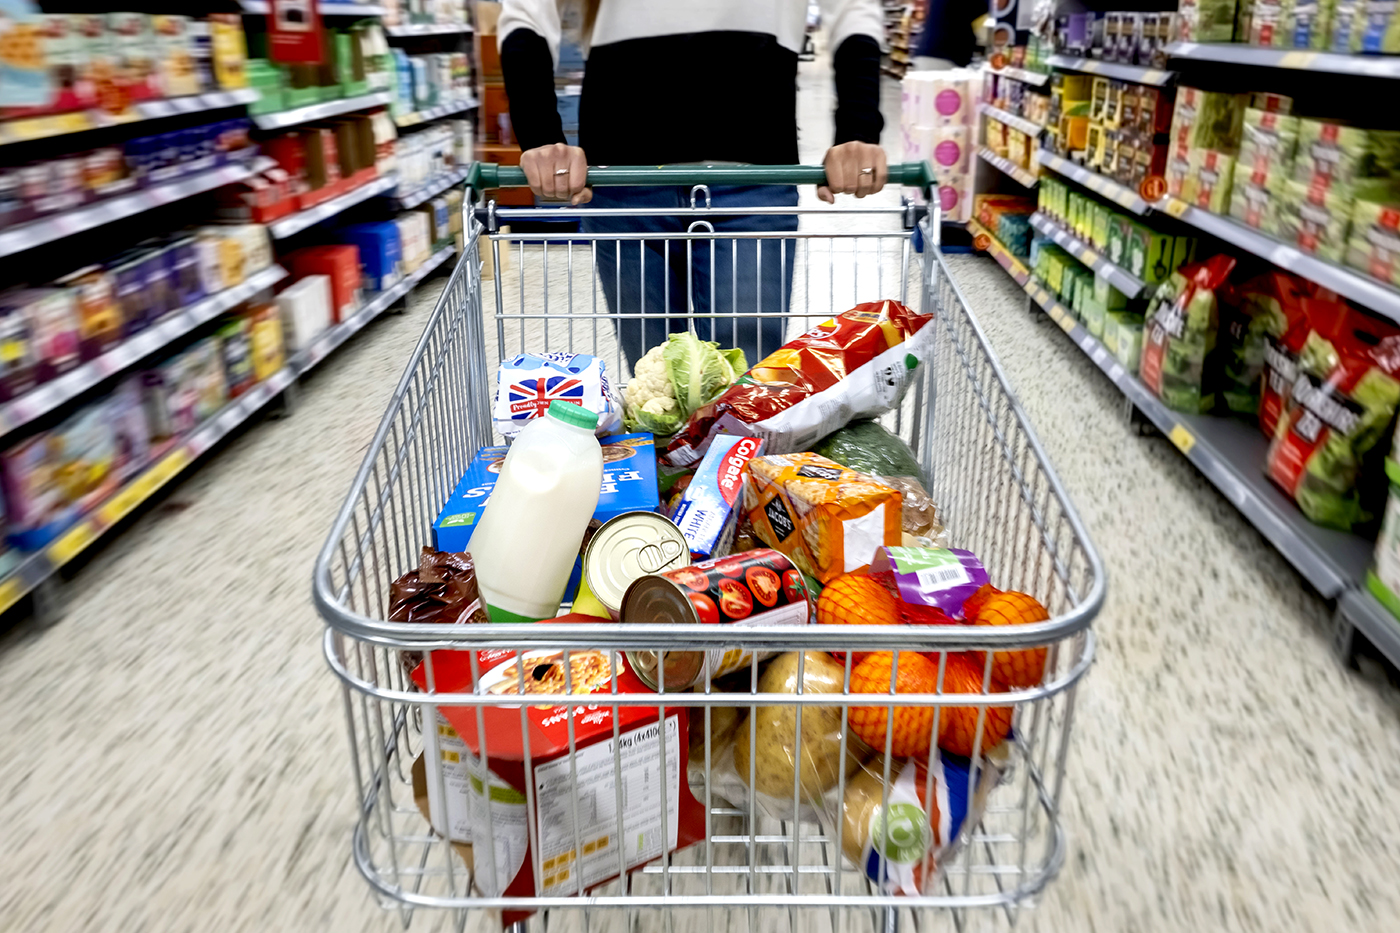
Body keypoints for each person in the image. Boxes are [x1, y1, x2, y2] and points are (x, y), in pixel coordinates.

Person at [497, 0, 890, 368]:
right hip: (626, 181)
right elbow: (526, 13)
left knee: (745, 392)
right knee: (655, 389)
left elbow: (853, 10)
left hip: (753, 175)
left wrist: (858, 128)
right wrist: (542, 135)